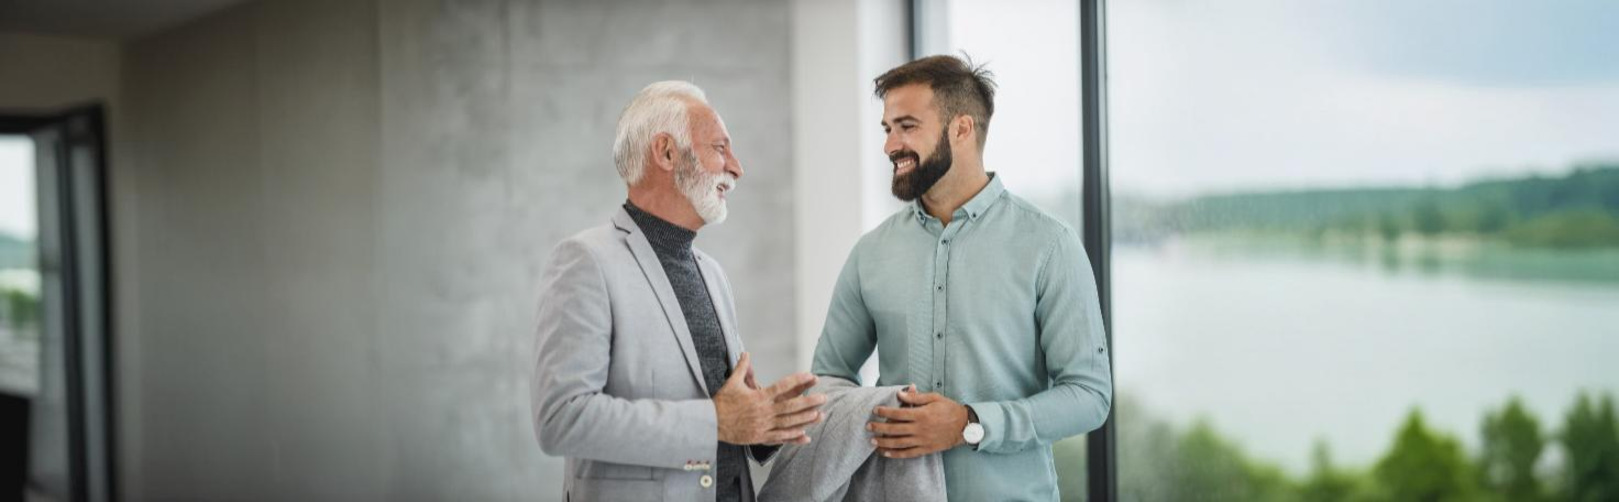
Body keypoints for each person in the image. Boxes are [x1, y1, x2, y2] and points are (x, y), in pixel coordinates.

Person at [811, 55, 1114, 501]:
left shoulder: (1049, 245)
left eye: (907, 126)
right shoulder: (871, 253)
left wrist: (970, 423)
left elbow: (1089, 396)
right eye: (887, 128)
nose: (890, 145)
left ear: (962, 129)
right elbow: (829, 379)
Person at [532, 81, 825, 502]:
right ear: (667, 152)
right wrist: (715, 422)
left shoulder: (713, 273)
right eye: (721, 149)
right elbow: (561, 419)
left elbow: (727, 415)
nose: (738, 168)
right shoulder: (585, 261)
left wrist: (763, 421)